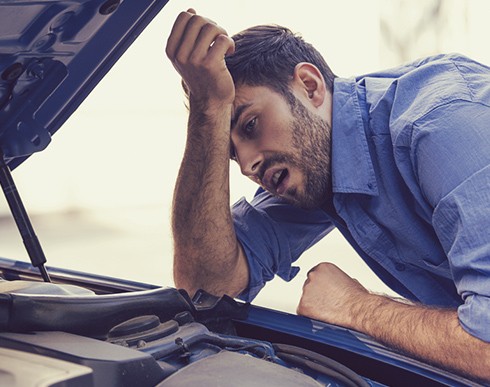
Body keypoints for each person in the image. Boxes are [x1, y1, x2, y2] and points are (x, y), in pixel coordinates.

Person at [166, 8, 490, 382]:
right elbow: (204, 286)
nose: (247, 166)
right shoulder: (318, 165)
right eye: (233, 154)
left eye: (251, 125)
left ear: (309, 85)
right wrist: (209, 112)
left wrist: (356, 308)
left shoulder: (443, 125)